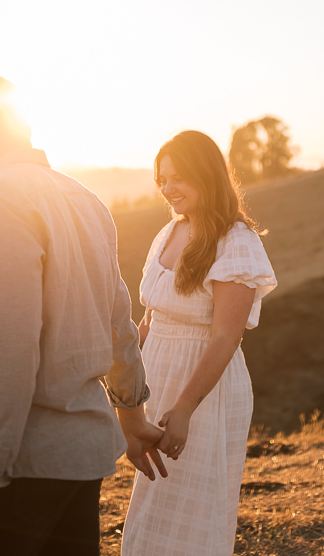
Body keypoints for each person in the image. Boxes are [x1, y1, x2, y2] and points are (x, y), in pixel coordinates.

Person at [0, 75, 166, 556]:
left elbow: (6, 349)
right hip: (79, 465)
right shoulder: (84, 201)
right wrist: (132, 413)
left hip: (15, 469)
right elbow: (117, 321)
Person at [121, 130, 277, 556]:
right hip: (156, 381)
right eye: (161, 180)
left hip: (204, 390)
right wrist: (125, 388)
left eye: (178, 178)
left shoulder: (236, 242)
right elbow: (150, 317)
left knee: (194, 509)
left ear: (206, 176)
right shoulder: (168, 233)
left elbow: (226, 337)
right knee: (151, 507)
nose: (168, 189)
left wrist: (186, 406)